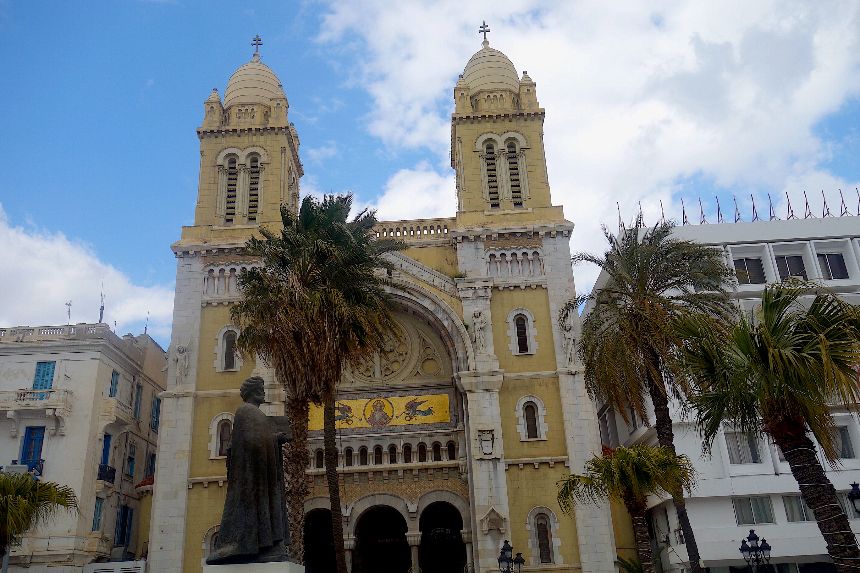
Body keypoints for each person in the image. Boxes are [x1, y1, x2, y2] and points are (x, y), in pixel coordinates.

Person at [206, 376, 291, 564]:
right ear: (252, 392)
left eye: (263, 388)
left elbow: (257, 439)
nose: (264, 392)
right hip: (251, 476)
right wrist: (272, 439)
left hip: (262, 475)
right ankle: (248, 546)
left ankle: (267, 546)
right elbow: (249, 442)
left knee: (266, 510)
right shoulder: (246, 411)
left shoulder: (257, 414)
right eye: (260, 389)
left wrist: (275, 439)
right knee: (256, 510)